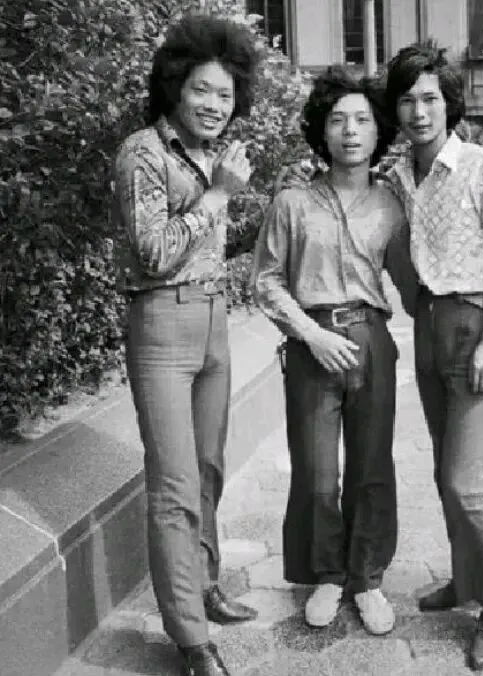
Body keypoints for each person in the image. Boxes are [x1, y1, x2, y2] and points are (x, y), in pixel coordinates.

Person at [112, 15, 260, 676]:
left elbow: (209, 246)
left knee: (207, 469)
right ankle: (191, 640)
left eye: (225, 95)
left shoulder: (209, 155)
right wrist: (220, 194)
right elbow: (154, 252)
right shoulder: (143, 153)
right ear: (175, 86)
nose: (214, 105)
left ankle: (203, 585)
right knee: (174, 485)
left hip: (213, 321)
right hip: (162, 326)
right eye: (203, 90)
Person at [250, 66, 418, 636]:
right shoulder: (293, 202)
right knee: (317, 472)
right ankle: (326, 573)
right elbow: (266, 280)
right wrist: (311, 334)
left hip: (372, 341)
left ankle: (366, 578)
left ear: (378, 132)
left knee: (372, 468)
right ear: (321, 130)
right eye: (338, 120)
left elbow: (412, 281)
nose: (350, 131)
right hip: (312, 345)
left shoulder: (392, 204)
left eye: (362, 120)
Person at [383, 40, 483, 671]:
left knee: (467, 480)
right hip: (428, 325)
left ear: (449, 104)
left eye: (430, 99)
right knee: (446, 470)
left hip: (474, 325)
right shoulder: (399, 176)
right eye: (408, 101)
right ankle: (466, 580)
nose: (419, 112)